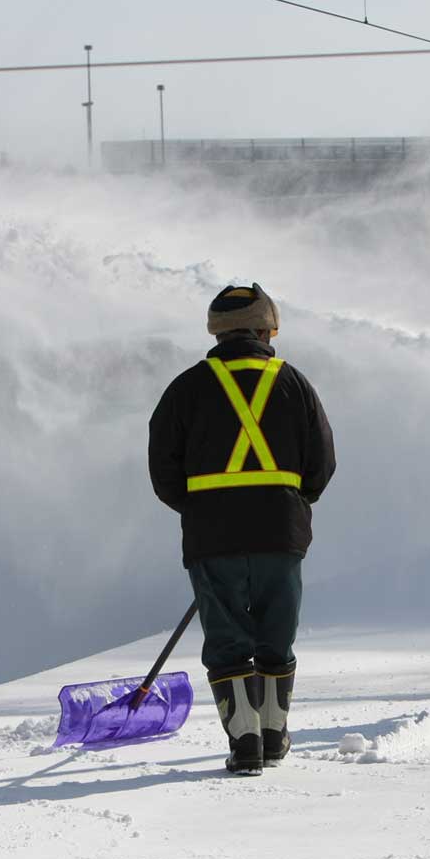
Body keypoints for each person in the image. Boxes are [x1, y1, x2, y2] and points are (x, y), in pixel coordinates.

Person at [148, 283, 336, 775]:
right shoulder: (294, 383)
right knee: (278, 633)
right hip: (281, 534)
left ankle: (246, 745)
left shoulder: (185, 388)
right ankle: (274, 737)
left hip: (213, 539)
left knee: (228, 639)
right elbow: (322, 463)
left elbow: (163, 472)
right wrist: (291, 504)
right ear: (264, 327)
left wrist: (201, 512)